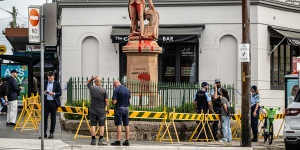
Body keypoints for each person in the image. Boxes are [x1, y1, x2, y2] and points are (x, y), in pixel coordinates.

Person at [87, 76, 109, 145]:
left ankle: (93, 140)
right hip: (101, 110)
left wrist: (92, 78)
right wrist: (108, 109)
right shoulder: (104, 90)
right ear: (100, 82)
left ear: (95, 82)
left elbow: (88, 83)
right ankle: (100, 141)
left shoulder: (92, 88)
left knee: (93, 125)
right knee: (102, 125)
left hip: (93, 110)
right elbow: (107, 101)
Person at [111, 80, 131, 146]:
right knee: (126, 124)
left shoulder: (116, 90)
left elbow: (114, 102)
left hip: (119, 108)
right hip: (126, 108)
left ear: (116, 84)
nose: (114, 87)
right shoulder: (127, 89)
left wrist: (112, 102)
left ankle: (118, 141)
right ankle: (127, 141)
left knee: (119, 125)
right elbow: (129, 101)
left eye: (114, 85)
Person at [43, 71, 61, 139]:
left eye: (51, 78)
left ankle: (51, 133)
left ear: (54, 77)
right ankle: (44, 133)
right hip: (46, 102)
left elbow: (60, 93)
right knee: (44, 118)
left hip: (54, 103)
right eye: (49, 78)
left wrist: (54, 94)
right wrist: (44, 92)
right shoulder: (45, 82)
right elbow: (41, 90)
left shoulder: (57, 83)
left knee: (53, 119)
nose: (49, 79)